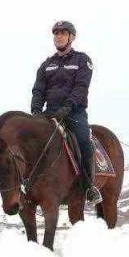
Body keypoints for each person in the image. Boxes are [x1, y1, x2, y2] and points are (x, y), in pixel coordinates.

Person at [30, 20, 101, 204]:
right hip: (49, 113)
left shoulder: (82, 60)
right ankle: (28, 186)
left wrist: (68, 106)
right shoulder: (46, 64)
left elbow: (81, 87)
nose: (58, 36)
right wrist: (36, 110)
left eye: (63, 33)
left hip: (74, 112)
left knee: (84, 141)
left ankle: (89, 187)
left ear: (72, 37)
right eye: (56, 33)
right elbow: (38, 90)